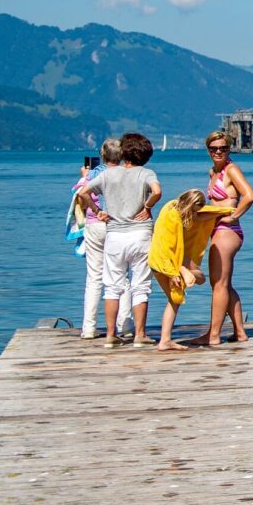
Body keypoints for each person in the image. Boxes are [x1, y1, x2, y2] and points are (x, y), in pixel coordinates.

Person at [86, 132, 161, 347]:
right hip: (140, 234)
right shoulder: (146, 173)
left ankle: (110, 335)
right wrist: (147, 206)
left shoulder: (109, 174)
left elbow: (83, 191)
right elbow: (157, 191)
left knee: (112, 286)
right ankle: (139, 335)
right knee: (141, 285)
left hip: (115, 235)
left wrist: (98, 211)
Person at [193, 129, 253, 347]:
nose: (218, 152)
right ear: (208, 150)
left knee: (218, 285)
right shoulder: (213, 172)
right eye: (214, 148)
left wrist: (234, 216)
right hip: (217, 230)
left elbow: (249, 195)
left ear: (229, 149)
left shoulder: (231, 170)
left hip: (227, 231)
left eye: (223, 148)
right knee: (224, 285)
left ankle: (213, 335)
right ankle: (239, 332)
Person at [147, 189, 228, 351]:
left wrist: (224, 212)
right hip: (164, 263)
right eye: (193, 210)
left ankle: (165, 340)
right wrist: (172, 273)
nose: (194, 214)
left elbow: (200, 216)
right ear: (189, 204)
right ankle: (165, 340)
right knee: (175, 298)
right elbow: (166, 245)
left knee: (177, 297)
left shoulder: (175, 207)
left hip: (169, 261)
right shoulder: (172, 218)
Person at [74, 139, 124, 339]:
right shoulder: (125, 174)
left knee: (94, 277)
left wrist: (95, 209)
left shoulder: (92, 175)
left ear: (102, 156)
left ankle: (89, 328)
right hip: (117, 225)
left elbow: (80, 195)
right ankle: (125, 325)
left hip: (94, 225)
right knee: (121, 277)